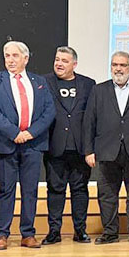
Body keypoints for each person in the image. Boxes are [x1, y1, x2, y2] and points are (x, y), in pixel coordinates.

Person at [0, 41, 56, 250]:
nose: (10, 60)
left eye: (15, 55)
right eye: (7, 55)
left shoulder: (39, 81)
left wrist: (30, 133)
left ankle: (28, 233)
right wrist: (14, 132)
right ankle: (2, 234)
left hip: (33, 144)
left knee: (30, 190)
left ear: (25, 58)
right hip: (7, 143)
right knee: (6, 189)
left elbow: (49, 111)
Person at [83, 51, 129, 245]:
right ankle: (110, 232)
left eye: (123, 65)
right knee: (107, 195)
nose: (118, 68)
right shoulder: (99, 90)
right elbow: (89, 122)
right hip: (107, 151)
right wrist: (89, 150)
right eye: (115, 64)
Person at [42, 46, 95, 245]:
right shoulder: (44, 82)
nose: (59, 64)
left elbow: (92, 118)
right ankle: (54, 231)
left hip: (80, 148)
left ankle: (80, 231)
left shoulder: (88, 84)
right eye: (57, 59)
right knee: (55, 190)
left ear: (74, 64)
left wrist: (91, 148)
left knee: (80, 190)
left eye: (64, 60)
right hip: (54, 146)